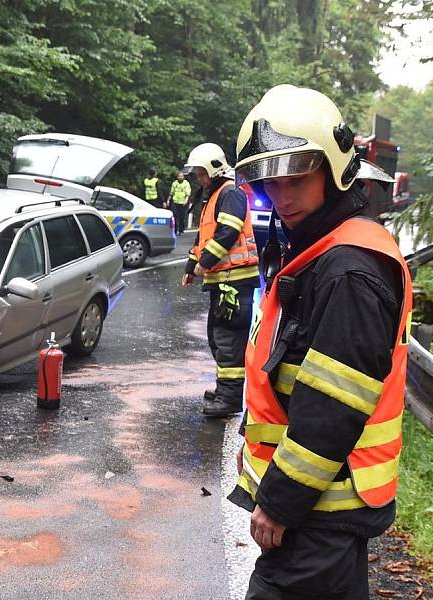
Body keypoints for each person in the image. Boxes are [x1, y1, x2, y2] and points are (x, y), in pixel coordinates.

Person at [229, 84, 411, 600]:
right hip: (320, 511)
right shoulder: (321, 249)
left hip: (317, 514)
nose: (281, 198)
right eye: (268, 183)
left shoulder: (347, 269)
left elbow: (333, 405)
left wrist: (280, 502)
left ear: (332, 171)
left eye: (296, 180)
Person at [181, 143, 260, 417]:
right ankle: (224, 390)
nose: (199, 179)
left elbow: (227, 232)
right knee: (218, 337)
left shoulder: (230, 194)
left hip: (235, 282)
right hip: (225, 281)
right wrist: (192, 266)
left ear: (215, 168)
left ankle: (229, 398)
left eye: (202, 173)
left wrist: (205, 263)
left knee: (228, 340)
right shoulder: (214, 196)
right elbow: (203, 238)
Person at [168, 171, 192, 235]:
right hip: (175, 201)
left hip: (182, 202)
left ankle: (181, 230)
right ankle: (175, 230)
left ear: (183, 177)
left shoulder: (186, 183)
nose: (180, 177)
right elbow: (171, 192)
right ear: (177, 177)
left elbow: (188, 193)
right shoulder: (174, 183)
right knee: (175, 216)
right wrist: (168, 200)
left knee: (182, 217)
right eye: (179, 176)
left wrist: (186, 200)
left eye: (181, 176)